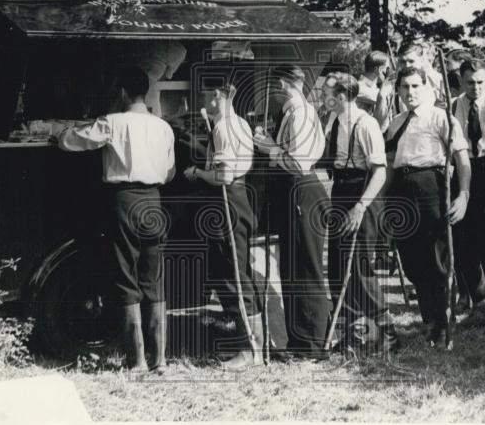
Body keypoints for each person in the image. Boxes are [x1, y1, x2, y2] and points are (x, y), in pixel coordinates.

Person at [49, 66, 176, 371]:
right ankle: (160, 360)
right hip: (154, 201)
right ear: (145, 93)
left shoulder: (112, 122)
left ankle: (137, 361)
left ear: (121, 93)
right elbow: (170, 172)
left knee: (125, 276)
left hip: (124, 200)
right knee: (153, 279)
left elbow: (71, 141)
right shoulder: (163, 127)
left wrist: (58, 132)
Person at [384, 65, 471, 345]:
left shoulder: (441, 118)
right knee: (412, 259)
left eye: (415, 86)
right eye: (405, 87)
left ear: (426, 88)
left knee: (437, 258)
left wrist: (463, 195)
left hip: (432, 188)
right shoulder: (396, 122)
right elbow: (390, 163)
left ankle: (444, 324)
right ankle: (430, 321)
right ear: (398, 90)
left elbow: (462, 160)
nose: (410, 92)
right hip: (402, 190)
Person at [253, 65, 331, 360]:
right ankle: (300, 341)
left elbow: (298, 162)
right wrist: (272, 144)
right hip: (296, 191)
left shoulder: (299, 113)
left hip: (302, 189)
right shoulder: (298, 112)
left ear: (282, 84)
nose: (273, 93)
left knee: (305, 267)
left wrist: (268, 148)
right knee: (293, 267)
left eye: (274, 86)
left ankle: (313, 343)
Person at [183, 82, 262, 370]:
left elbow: (223, 176)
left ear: (217, 96)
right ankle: (254, 347)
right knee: (238, 273)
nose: (204, 99)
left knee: (234, 277)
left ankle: (249, 350)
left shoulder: (223, 127)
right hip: (240, 198)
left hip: (228, 199)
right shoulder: (240, 122)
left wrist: (196, 172)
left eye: (207, 94)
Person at [321, 72, 399, 355]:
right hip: (341, 192)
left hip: (363, 194)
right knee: (339, 266)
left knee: (359, 265)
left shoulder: (366, 124)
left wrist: (360, 206)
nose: (323, 99)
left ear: (341, 96)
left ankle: (388, 333)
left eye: (326, 94)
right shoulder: (334, 121)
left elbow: (380, 172)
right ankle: (353, 335)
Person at [449, 58, 485, 326]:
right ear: (461, 81)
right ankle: (480, 302)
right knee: (463, 243)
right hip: (462, 171)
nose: (476, 87)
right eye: (470, 82)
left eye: (481, 82)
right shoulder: (452, 106)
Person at [356, 50, 395, 131]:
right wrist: (390, 81)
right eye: (387, 68)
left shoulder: (373, 88)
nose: (389, 71)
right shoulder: (359, 87)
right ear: (379, 70)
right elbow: (381, 97)